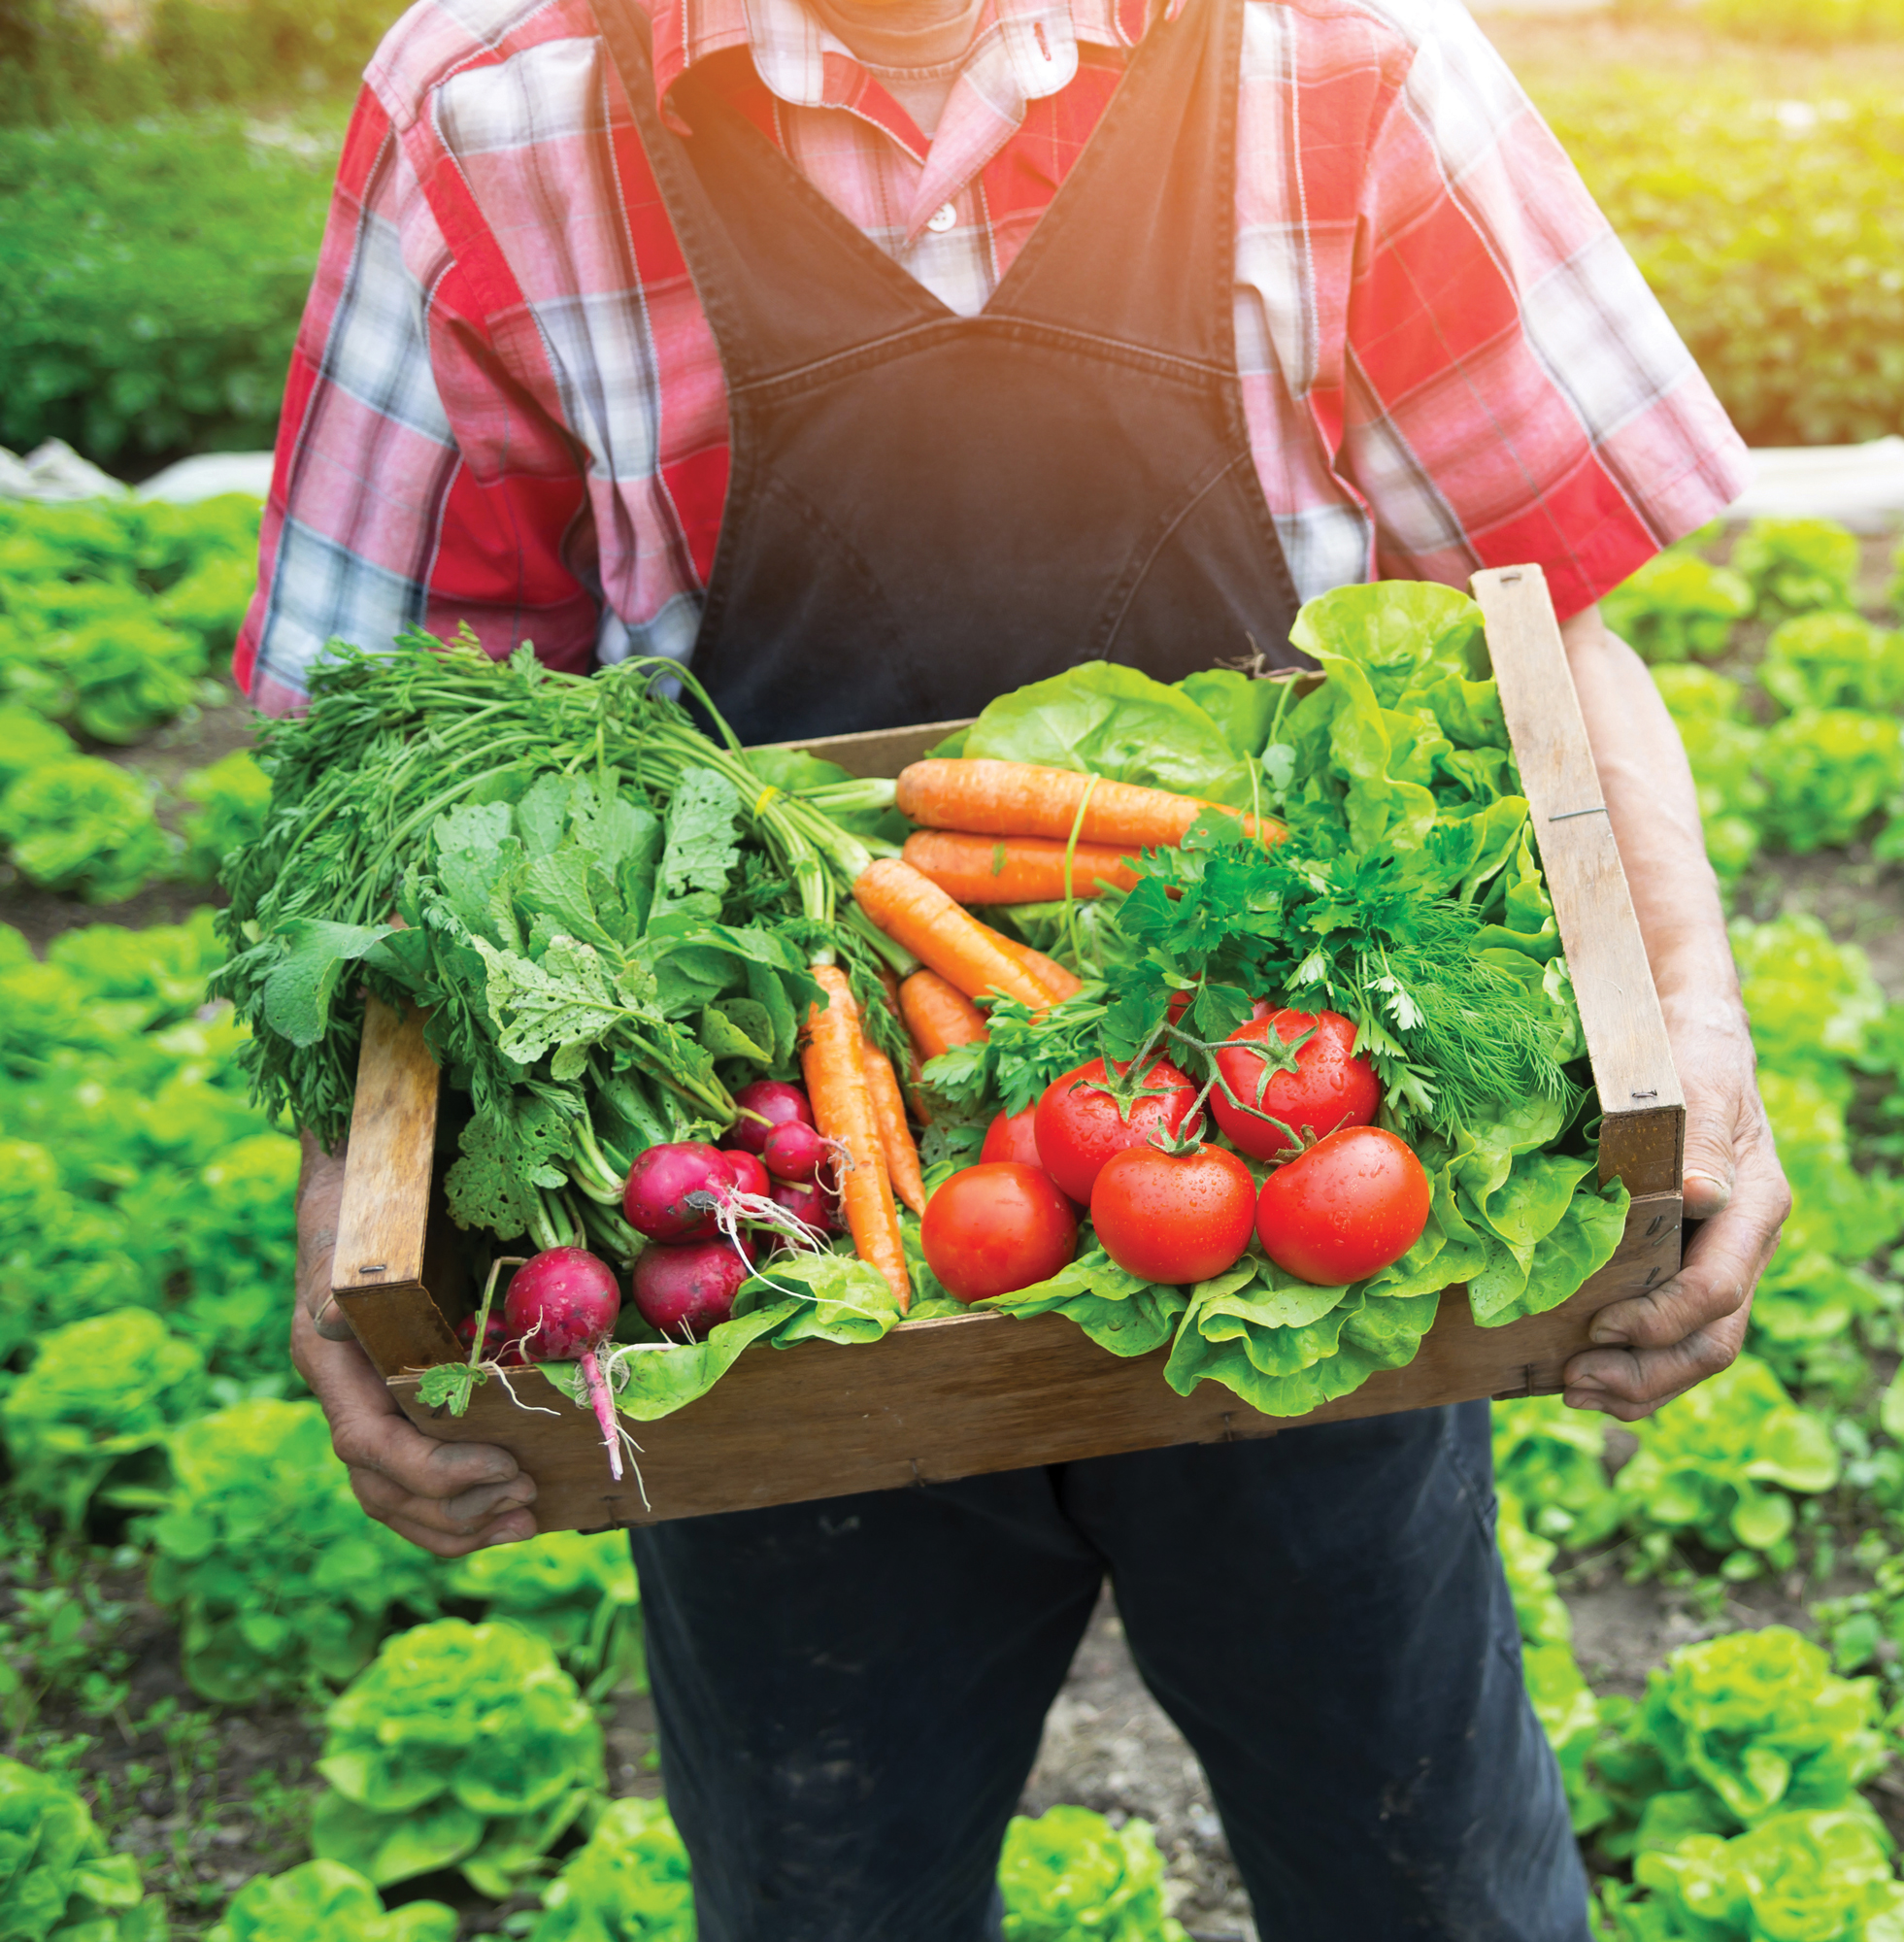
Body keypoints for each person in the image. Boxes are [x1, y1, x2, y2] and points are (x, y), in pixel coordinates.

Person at [248, 0, 1789, 1926]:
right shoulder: (489, 110)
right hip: (787, 1244)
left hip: (1286, 1189)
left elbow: (1556, 629)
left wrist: (1701, 1056)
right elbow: (394, 758)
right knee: (831, 1887)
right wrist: (354, 1204)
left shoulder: (1346, 60)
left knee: (1430, 1874)